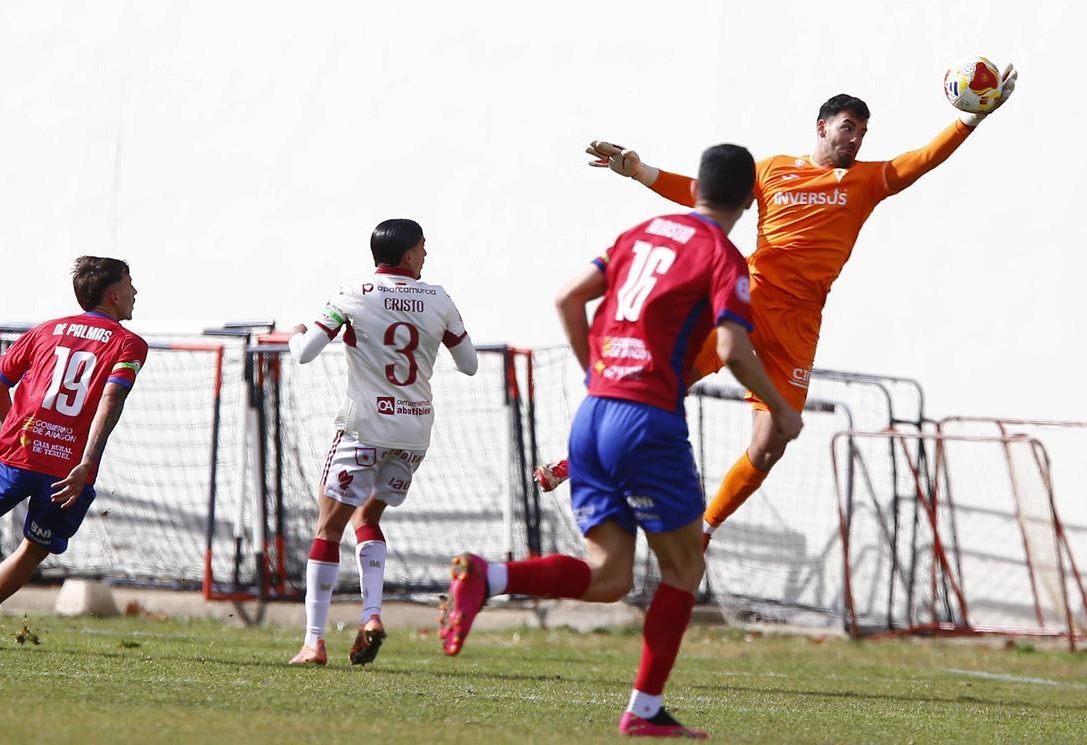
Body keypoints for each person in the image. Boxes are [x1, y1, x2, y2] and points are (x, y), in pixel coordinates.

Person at [538, 66, 1018, 550]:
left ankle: (702, 530)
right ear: (822, 127)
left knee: (770, 446)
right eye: (848, 128)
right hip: (746, 298)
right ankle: (572, 463)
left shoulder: (868, 182)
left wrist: (970, 120)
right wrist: (639, 171)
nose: (855, 140)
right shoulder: (770, 170)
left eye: (863, 133)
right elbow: (706, 195)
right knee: (657, 387)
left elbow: (922, 159)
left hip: (798, 324)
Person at [441, 145, 802, 737]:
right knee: (684, 567)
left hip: (593, 413)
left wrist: (596, 373)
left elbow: (566, 297)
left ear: (697, 188)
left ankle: (491, 577)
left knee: (609, 576)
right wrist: (782, 410)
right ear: (749, 200)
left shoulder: (642, 231)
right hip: (647, 422)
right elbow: (735, 349)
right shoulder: (724, 256)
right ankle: (644, 709)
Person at [0, 257, 147, 646]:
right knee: (34, 548)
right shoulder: (129, 343)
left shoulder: (46, 330)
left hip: (16, 455)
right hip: (68, 469)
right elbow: (111, 397)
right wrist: (86, 462)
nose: (137, 292)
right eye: (132, 284)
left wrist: (16, 430)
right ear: (114, 295)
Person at [284, 218, 477, 666]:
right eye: (424, 249)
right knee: (368, 516)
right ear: (409, 255)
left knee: (328, 527)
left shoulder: (353, 293)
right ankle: (371, 615)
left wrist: (295, 334)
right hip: (413, 431)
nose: (427, 256)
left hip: (364, 427)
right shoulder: (439, 298)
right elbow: (468, 365)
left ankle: (314, 641)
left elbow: (306, 352)